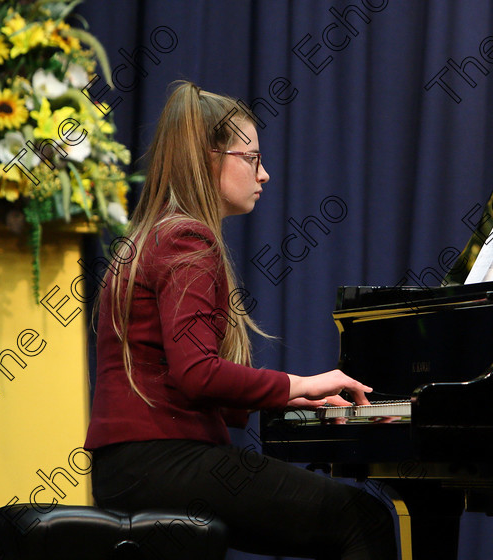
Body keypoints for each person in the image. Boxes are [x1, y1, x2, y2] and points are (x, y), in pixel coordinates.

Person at [83, 81, 397, 560]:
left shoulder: (150, 237)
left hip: (128, 469)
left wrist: (290, 401)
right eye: (251, 158)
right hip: (162, 464)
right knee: (365, 519)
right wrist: (302, 383)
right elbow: (197, 374)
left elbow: (201, 389)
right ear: (211, 159)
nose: (264, 174)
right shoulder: (188, 240)